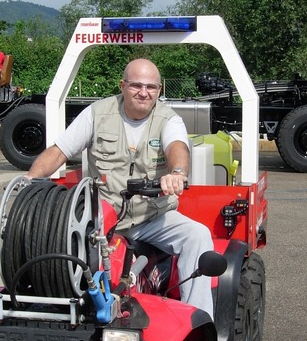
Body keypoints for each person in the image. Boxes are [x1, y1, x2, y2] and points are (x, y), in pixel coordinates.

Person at [26, 58, 215, 316]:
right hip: (104, 218)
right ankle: (56, 309)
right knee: (54, 234)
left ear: (159, 90)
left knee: (198, 235)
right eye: (136, 85)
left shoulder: (169, 120)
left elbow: (177, 148)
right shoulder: (97, 113)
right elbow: (60, 151)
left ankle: (198, 318)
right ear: (122, 85)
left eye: (151, 87)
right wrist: (30, 180)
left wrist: (177, 173)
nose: (143, 92)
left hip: (154, 216)